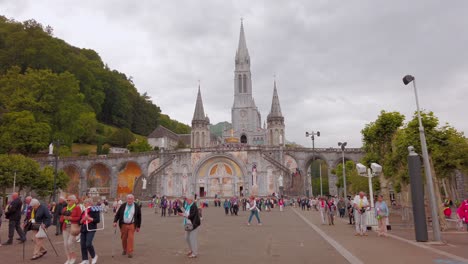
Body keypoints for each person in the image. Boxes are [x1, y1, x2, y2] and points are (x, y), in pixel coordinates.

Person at [113, 194, 142, 258]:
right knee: (123, 238)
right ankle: (124, 249)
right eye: (128, 199)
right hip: (123, 224)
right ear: (126, 199)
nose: (130, 200)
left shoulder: (136, 206)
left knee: (130, 238)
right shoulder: (123, 206)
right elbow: (117, 214)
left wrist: (138, 226)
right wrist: (115, 221)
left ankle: (130, 251)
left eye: (131, 199)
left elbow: (139, 217)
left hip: (132, 224)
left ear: (133, 200)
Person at [61, 195, 82, 264]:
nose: (68, 201)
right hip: (65, 227)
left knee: (70, 242)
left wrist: (71, 218)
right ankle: (68, 258)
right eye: (67, 200)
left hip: (73, 227)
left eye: (69, 200)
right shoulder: (65, 208)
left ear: (73, 201)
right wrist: (63, 218)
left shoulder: (77, 208)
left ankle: (73, 257)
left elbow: (79, 218)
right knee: (65, 244)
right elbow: (61, 218)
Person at [79, 198, 100, 264]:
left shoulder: (94, 210)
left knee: (88, 243)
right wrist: (82, 220)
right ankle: (85, 259)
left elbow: (97, 220)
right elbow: (79, 222)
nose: (84, 204)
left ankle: (94, 256)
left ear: (90, 203)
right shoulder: (84, 211)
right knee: (83, 244)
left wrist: (88, 218)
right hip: (83, 228)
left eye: (85, 203)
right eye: (84, 203)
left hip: (91, 228)